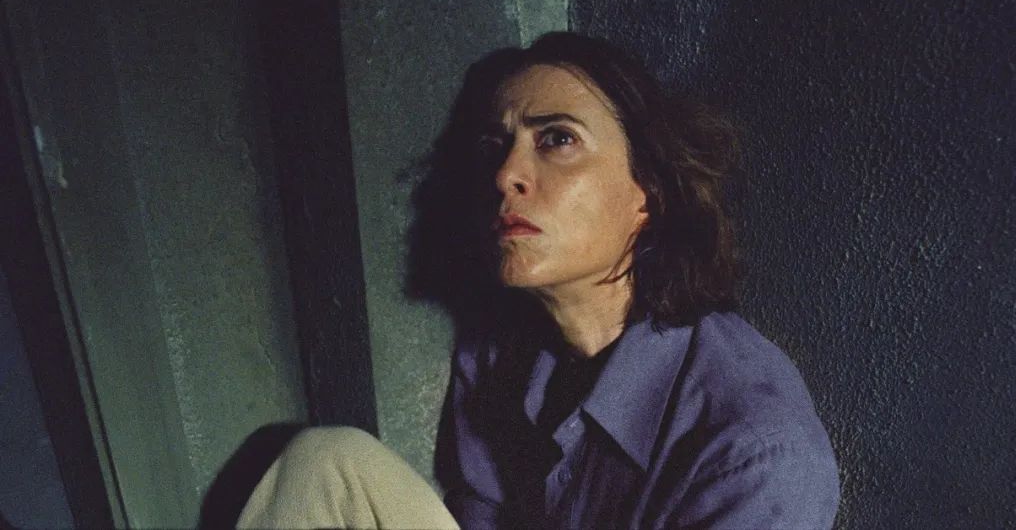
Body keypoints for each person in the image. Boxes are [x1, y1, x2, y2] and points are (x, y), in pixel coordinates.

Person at [237, 32, 839, 529]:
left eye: (557, 139)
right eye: (496, 146)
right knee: (326, 463)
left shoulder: (754, 451)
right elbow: (480, 511)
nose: (506, 175)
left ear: (649, 193)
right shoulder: (501, 345)